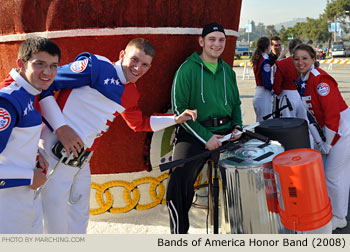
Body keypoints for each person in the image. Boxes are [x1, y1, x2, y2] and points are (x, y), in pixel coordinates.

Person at [37, 38, 197, 234]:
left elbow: (139, 124)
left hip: (81, 161)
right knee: (52, 220)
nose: (138, 68)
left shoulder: (131, 93)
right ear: (122, 55)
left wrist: (175, 119)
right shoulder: (96, 66)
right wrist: (61, 128)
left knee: (79, 219)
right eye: (134, 60)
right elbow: (44, 84)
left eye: (145, 64)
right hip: (55, 150)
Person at [166, 22, 242, 234]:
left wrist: (237, 127)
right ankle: (180, 236)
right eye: (212, 39)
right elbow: (178, 108)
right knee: (178, 183)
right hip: (194, 133)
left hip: (227, 133)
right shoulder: (187, 69)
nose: (216, 44)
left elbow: (236, 104)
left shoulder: (228, 71)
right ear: (201, 41)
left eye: (221, 40)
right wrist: (207, 137)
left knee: (249, 172)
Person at [0, 37, 60, 233]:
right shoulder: (8, 101)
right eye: (39, 64)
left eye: (53, 66)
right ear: (21, 64)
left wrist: (35, 155)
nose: (47, 72)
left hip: (24, 200)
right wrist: (27, 175)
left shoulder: (30, 93)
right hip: (6, 207)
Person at [293, 44, 350, 231]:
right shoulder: (303, 80)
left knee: (332, 175)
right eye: (297, 59)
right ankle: (332, 211)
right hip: (330, 130)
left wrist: (329, 142)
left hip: (341, 129)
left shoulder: (320, 80)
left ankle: (339, 217)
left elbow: (333, 114)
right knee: (333, 174)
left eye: (304, 58)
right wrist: (320, 142)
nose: (300, 62)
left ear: (313, 59)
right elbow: (310, 117)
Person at [273, 38, 305, 118]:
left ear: (290, 49)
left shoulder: (282, 63)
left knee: (288, 126)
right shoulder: (307, 62)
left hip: (287, 96)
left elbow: (277, 87)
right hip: (304, 96)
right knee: (304, 124)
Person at [251, 36, 273, 122]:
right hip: (264, 95)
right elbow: (266, 82)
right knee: (266, 124)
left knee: (260, 124)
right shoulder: (265, 60)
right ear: (268, 47)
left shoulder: (258, 58)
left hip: (259, 93)